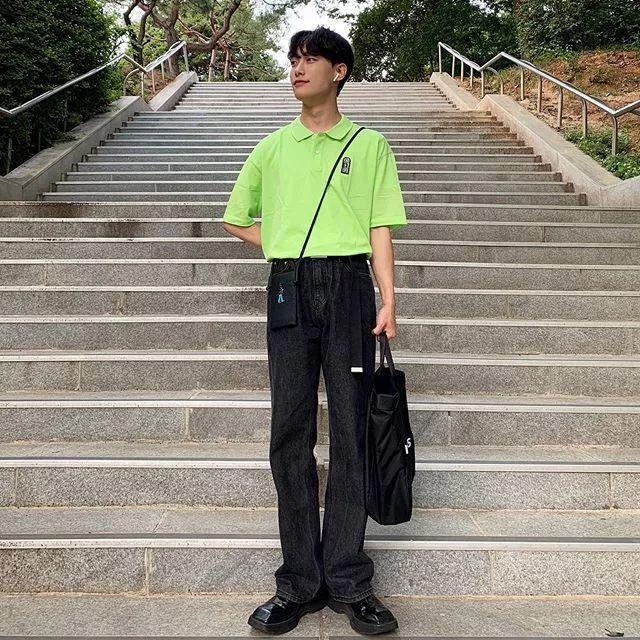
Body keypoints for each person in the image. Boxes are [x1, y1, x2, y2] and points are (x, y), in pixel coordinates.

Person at [222, 25, 407, 636]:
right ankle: (299, 582)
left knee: (351, 430)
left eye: (310, 59)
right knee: (289, 431)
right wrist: (278, 245)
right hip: (289, 286)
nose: (297, 69)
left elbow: (380, 226)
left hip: (350, 285)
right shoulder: (272, 147)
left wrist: (388, 296)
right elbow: (235, 217)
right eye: (293, 59)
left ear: (339, 71)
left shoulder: (369, 145)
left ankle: (350, 581)